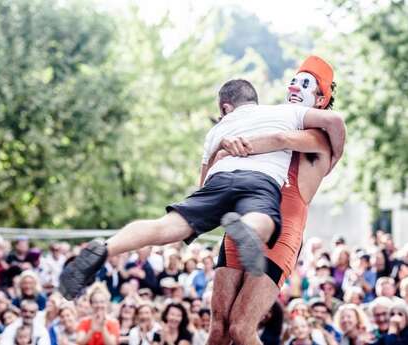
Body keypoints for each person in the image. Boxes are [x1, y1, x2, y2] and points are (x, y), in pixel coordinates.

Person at [60, 61, 346, 300]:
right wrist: (334, 158)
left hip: (218, 179)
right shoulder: (282, 113)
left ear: (225, 108)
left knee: (165, 227)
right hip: (260, 180)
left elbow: (204, 178)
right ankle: (246, 230)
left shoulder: (218, 130)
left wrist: (225, 156)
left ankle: (105, 247)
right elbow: (329, 124)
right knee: (263, 217)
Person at [208, 55, 342, 345]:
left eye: (305, 84)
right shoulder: (268, 124)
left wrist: (229, 144)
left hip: (281, 234)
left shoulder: (319, 139)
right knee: (218, 329)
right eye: (293, 81)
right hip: (244, 224)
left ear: (320, 100)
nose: (294, 87)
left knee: (241, 329)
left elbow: (281, 139)